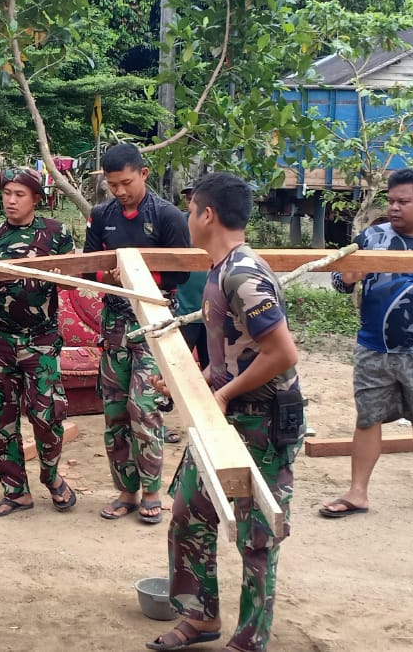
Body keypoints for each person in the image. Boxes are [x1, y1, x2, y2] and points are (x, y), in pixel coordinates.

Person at [147, 172, 303, 652]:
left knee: (257, 534)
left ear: (207, 214)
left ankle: (251, 636)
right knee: (189, 511)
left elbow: (282, 354)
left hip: (262, 417)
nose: (186, 217)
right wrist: (188, 383)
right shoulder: (219, 268)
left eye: (190, 209)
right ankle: (200, 617)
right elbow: (232, 351)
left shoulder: (243, 274)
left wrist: (223, 393)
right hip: (227, 410)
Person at [320, 168, 413, 520]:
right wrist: (347, 278)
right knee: (367, 419)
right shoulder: (371, 237)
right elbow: (338, 282)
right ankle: (357, 493)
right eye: (391, 200)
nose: (394, 208)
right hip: (373, 348)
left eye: (403, 201)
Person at [85, 144, 192, 524]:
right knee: (114, 411)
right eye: (112, 185)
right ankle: (126, 490)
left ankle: (152, 491)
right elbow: (87, 268)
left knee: (143, 409)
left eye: (125, 183)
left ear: (144, 174)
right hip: (114, 324)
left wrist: (134, 273)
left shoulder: (168, 217)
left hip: (155, 324)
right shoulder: (102, 216)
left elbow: (180, 274)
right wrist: (108, 277)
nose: (119, 191)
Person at [0, 168, 78, 517]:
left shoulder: (56, 234)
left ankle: (52, 476)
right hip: (0, 340)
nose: (11, 201)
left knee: (47, 416)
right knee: (2, 418)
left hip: (41, 340)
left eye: (19, 194)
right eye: (7, 194)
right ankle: (15, 491)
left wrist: (62, 273)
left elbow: (73, 283)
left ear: (35, 198)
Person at [176, 185, 209, 371]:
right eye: (188, 199)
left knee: (214, 369)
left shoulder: (218, 227)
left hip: (212, 314)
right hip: (184, 312)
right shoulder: (177, 224)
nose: (191, 202)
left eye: (195, 198)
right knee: (178, 369)